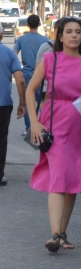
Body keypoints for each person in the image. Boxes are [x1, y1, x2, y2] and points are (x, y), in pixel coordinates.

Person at [26, 16, 81, 253]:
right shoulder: (50, 60)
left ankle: (61, 232)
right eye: (68, 32)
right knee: (59, 176)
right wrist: (35, 123)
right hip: (54, 123)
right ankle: (54, 234)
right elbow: (30, 90)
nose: (74, 36)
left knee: (73, 178)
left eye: (77, 32)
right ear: (60, 37)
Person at [14, 15, 49, 136]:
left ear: (28, 25)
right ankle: (44, 126)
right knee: (42, 102)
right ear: (39, 24)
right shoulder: (45, 40)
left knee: (29, 101)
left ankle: (29, 128)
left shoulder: (21, 39)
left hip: (27, 73)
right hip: (42, 74)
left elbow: (14, 54)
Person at [0, 29, 26, 186]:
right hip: (3, 104)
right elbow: (20, 79)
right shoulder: (9, 53)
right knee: (1, 139)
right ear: (2, 35)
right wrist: (22, 103)